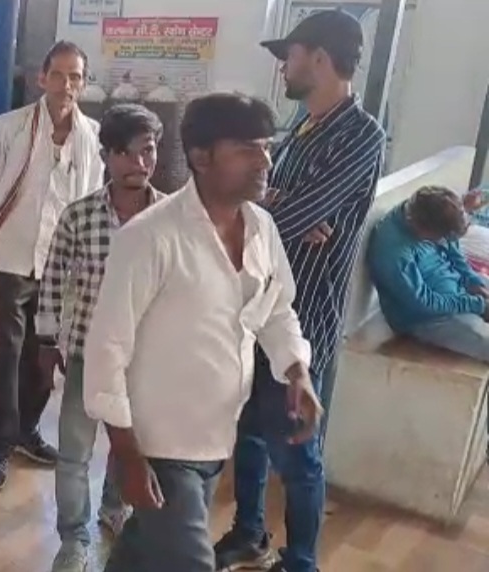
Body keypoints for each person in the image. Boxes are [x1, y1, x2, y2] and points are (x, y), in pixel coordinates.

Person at [83, 92, 322, 572]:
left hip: (215, 436)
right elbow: (106, 348)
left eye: (266, 147)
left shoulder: (262, 228)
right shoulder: (150, 237)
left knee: (142, 555)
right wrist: (127, 454)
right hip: (159, 445)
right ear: (201, 156)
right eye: (247, 149)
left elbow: (276, 310)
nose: (265, 162)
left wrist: (298, 371)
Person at [215, 9, 387, 572]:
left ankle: (302, 562)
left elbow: (285, 214)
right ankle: (250, 533)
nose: (283, 67)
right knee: (248, 434)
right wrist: (275, 205)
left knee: (298, 453)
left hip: (303, 317)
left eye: (288, 55)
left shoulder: (361, 135)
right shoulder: (300, 126)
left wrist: (277, 208)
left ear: (318, 57)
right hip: (254, 307)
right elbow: (262, 201)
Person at [0, 40, 105, 492]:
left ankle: (26, 431)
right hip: (13, 258)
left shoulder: (92, 137)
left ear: (84, 83)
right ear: (42, 78)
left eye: (75, 77)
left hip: (60, 265)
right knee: (7, 352)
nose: (66, 85)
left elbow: (92, 200)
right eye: (59, 75)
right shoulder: (11, 127)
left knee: (44, 353)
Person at [37, 104, 166, 572]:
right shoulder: (80, 216)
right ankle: (74, 538)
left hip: (144, 359)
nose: (139, 163)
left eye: (147, 151)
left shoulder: (170, 218)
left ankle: (115, 508)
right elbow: (53, 279)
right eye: (125, 153)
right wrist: (46, 341)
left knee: (128, 445)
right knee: (74, 453)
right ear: (106, 156)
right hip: (87, 356)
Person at [369, 186, 489, 359]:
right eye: (440, 237)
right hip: (427, 318)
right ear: (421, 228)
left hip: (457, 289)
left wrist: (472, 281)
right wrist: (477, 305)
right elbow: (424, 303)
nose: (444, 241)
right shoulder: (393, 252)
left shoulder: (426, 214)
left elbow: (454, 252)